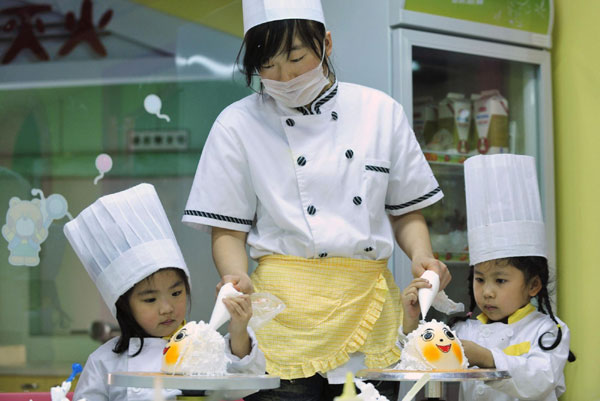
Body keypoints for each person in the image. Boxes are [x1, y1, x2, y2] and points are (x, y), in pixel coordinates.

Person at [182, 1, 449, 399]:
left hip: (368, 310)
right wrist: (235, 278)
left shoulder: (379, 112)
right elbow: (227, 230)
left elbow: (406, 211)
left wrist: (422, 255)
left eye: (296, 58)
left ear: (325, 43)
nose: (284, 77)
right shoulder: (237, 124)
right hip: (282, 318)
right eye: (267, 65)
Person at [64, 183, 265, 401]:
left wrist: (238, 329)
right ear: (124, 305)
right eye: (150, 299)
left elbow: (244, 383)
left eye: (176, 293)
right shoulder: (104, 362)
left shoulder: (202, 349)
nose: (167, 308)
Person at [400, 154, 574, 401]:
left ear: (533, 285)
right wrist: (411, 322)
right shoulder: (462, 330)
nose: (487, 291)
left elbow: (539, 379)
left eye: (500, 281)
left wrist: (486, 357)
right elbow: (418, 365)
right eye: (480, 279)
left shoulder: (548, 331)